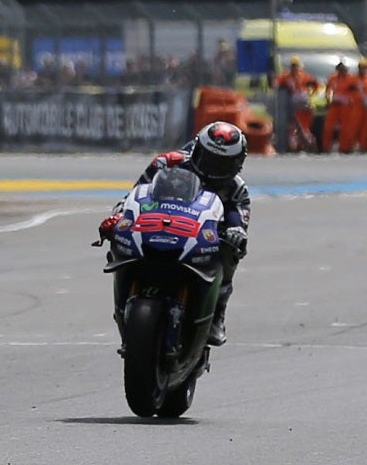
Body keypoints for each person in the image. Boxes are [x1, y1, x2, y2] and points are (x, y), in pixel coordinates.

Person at [97, 121, 249, 345]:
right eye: (208, 159)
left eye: (221, 164)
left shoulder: (236, 189)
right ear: (197, 150)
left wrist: (236, 232)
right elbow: (135, 194)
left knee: (232, 251)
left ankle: (217, 314)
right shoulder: (167, 163)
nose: (212, 168)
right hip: (160, 225)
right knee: (118, 233)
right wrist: (120, 215)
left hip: (201, 236)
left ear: (236, 164)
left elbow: (239, 219)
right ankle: (124, 295)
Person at [275, 56, 319, 152]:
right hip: (294, 105)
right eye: (293, 66)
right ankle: (295, 146)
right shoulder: (286, 77)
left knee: (305, 127)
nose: (294, 68)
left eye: (296, 66)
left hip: (305, 104)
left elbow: (316, 84)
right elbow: (277, 83)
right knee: (294, 127)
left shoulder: (305, 76)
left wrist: (311, 94)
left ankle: (309, 145)